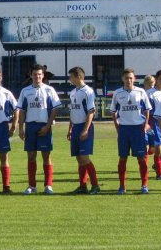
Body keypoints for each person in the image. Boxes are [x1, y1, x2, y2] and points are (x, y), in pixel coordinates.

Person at [17, 64, 62, 194]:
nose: (37, 76)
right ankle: (32, 186)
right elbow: (22, 110)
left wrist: (48, 126)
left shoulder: (49, 90)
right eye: (35, 74)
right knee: (31, 156)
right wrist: (21, 128)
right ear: (31, 75)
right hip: (30, 126)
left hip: (44, 126)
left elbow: (55, 108)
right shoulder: (25, 91)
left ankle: (48, 185)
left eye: (40, 74)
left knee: (46, 156)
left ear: (43, 75)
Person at [110, 68, 152, 195]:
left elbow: (147, 110)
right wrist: (117, 126)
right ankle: (122, 186)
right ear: (122, 79)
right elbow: (113, 111)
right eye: (126, 78)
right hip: (124, 129)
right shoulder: (117, 93)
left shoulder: (140, 92)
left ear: (134, 79)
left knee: (141, 158)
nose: (128, 80)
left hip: (137, 128)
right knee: (123, 158)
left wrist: (145, 126)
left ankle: (144, 185)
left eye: (131, 78)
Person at [67, 66, 100, 195]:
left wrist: (85, 129)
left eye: (71, 77)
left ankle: (95, 185)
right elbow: (72, 111)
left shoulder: (88, 91)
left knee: (85, 157)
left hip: (84, 127)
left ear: (78, 77)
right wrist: (70, 128)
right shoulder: (73, 92)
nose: (70, 80)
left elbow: (91, 112)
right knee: (79, 158)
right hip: (75, 127)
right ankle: (83, 186)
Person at [146, 70, 161, 180]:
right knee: (157, 148)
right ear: (156, 80)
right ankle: (159, 174)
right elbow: (146, 109)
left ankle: (156, 167)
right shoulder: (150, 93)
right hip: (154, 122)